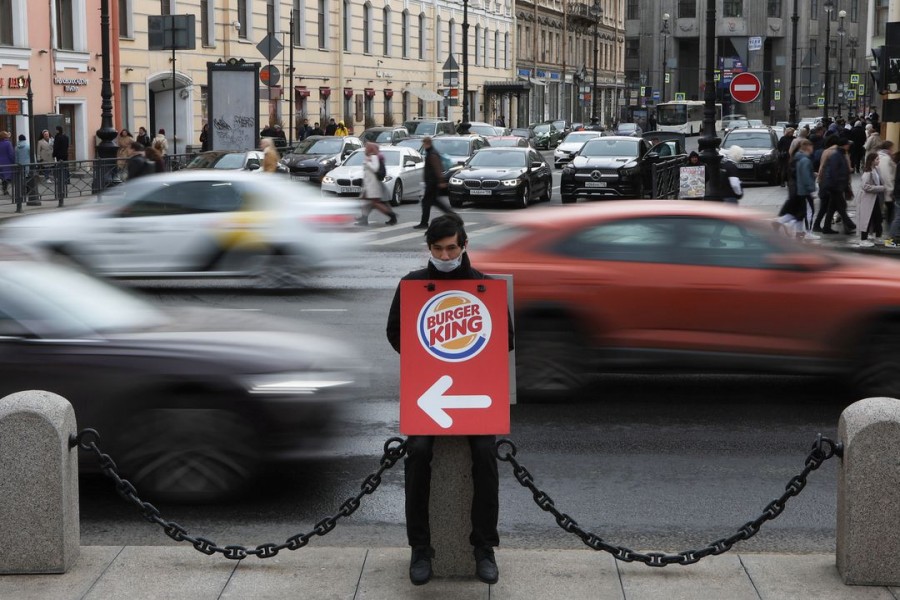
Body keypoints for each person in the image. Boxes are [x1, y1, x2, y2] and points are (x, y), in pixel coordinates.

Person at [385, 214, 512, 587]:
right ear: (429, 248)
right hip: (431, 394)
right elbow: (395, 332)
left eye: (451, 248)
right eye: (438, 248)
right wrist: (425, 360)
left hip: (474, 393)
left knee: (486, 455)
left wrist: (473, 362)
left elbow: (505, 339)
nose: (445, 254)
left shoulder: (484, 287)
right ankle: (420, 547)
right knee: (418, 452)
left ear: (464, 245)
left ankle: (484, 547)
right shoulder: (412, 285)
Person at [414, 136, 455, 230]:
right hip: (432, 182)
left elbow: (437, 168)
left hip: (432, 182)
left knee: (429, 202)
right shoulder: (431, 152)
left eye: (423, 144)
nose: (423, 146)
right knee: (432, 202)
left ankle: (424, 223)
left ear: (427, 143)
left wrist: (441, 181)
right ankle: (451, 215)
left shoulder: (432, 154)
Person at [820, 138, 857, 235]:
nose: (849, 146)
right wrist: (838, 185)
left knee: (832, 208)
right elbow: (833, 171)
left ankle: (826, 227)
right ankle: (849, 224)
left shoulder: (841, 154)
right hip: (835, 186)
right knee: (841, 206)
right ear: (844, 145)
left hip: (838, 185)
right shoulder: (837, 155)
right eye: (848, 144)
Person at [356, 142, 398, 226]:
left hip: (372, 185)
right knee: (366, 202)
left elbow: (375, 169)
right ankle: (364, 219)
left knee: (375, 203)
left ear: (370, 149)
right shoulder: (370, 157)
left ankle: (392, 215)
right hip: (368, 185)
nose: (365, 149)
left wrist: (367, 163)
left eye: (367, 148)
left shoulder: (374, 157)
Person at [856, 151, 886, 247]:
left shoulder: (876, 169)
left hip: (874, 198)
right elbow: (865, 187)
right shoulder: (868, 172)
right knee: (867, 219)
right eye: (877, 159)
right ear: (872, 161)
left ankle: (877, 237)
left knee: (877, 218)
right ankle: (863, 239)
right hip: (867, 199)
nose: (879, 161)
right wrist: (880, 188)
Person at [875, 141, 896, 233]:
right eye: (892, 148)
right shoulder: (885, 158)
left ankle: (889, 228)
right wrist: (890, 189)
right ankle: (891, 231)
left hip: (883, 187)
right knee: (890, 209)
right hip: (887, 187)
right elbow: (886, 175)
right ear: (888, 148)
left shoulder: (882, 156)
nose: (893, 150)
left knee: (887, 209)